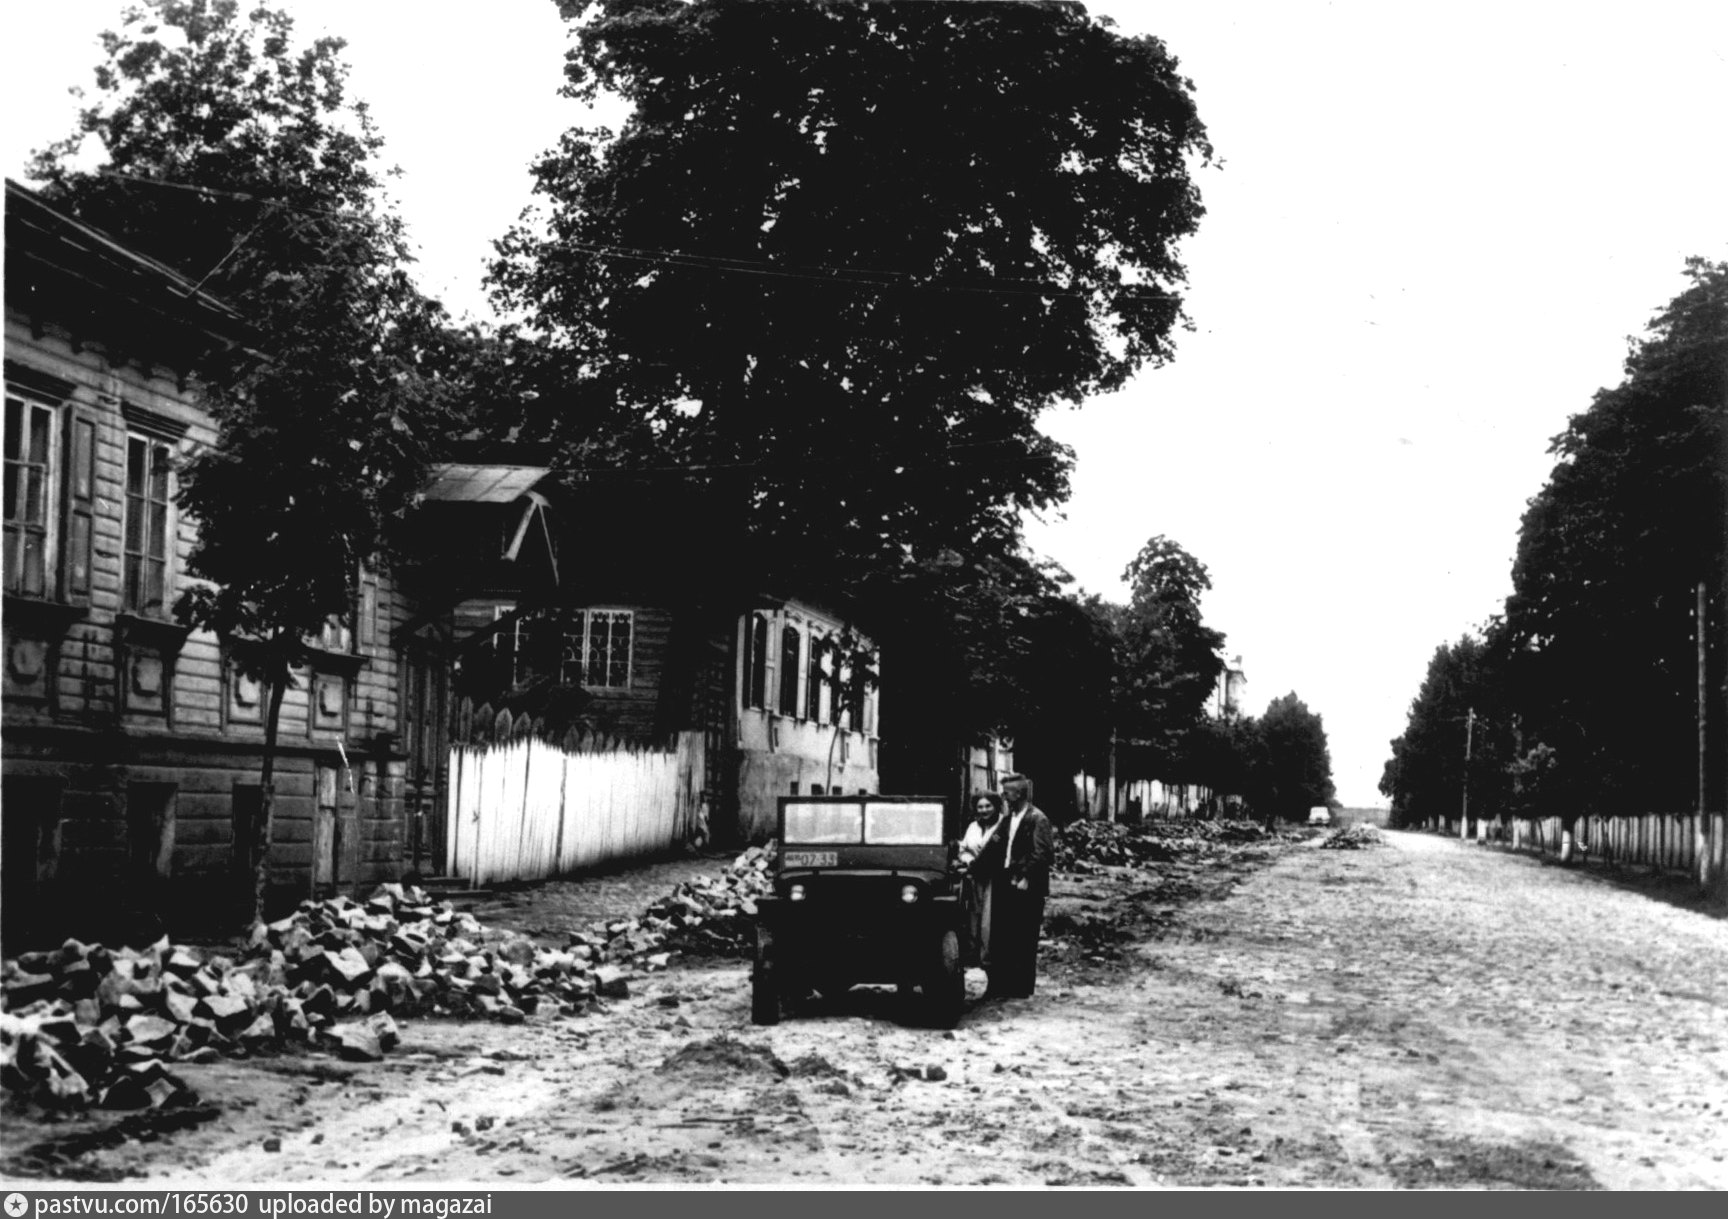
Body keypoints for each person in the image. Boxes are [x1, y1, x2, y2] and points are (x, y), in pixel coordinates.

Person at [989, 773, 1053, 998]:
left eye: (1007, 793)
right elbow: (994, 846)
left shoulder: (1038, 819)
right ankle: (1002, 986)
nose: (1004, 797)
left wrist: (1025, 875)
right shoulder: (1008, 819)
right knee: (1004, 936)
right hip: (1007, 882)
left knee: (1024, 937)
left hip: (1027, 886)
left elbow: (1043, 853)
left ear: (1019, 794)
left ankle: (1021, 988)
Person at [958, 790, 1007, 971]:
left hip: (996, 879)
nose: (984, 810)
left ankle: (989, 961)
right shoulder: (973, 827)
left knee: (990, 919)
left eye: (988, 806)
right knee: (973, 917)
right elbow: (963, 849)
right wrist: (968, 860)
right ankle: (973, 956)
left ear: (996, 807)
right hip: (975, 877)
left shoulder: (1004, 826)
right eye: (980, 807)